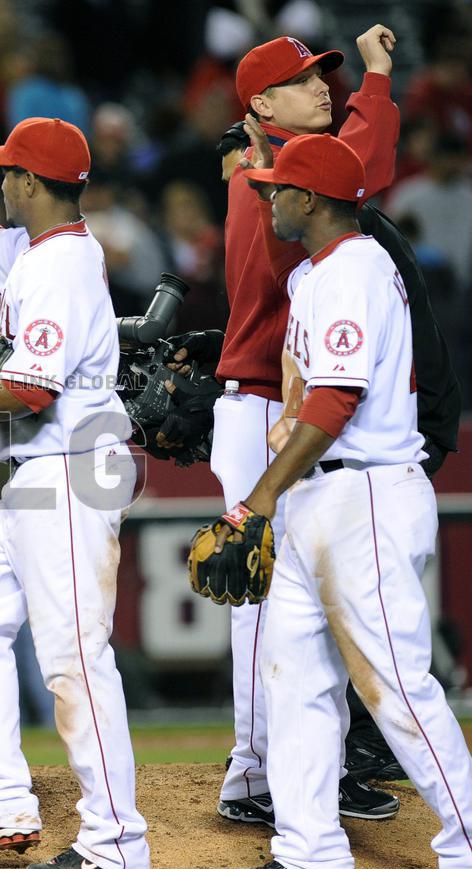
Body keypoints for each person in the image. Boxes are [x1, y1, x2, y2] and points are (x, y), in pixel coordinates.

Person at [0, 90, 151, 869]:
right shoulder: (40, 246)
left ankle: (116, 843)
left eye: (7, 171)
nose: (0, 182)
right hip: (42, 471)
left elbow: (34, 389)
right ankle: (2, 805)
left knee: (74, 659)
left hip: (73, 464)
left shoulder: (60, 265)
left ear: (32, 182)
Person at [223, 129, 472, 869]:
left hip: (362, 492)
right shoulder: (317, 273)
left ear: (310, 198)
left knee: (395, 684)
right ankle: (311, 857)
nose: (266, 197)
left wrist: (257, 498)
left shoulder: (355, 268)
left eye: (276, 188)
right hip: (318, 493)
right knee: (295, 678)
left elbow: (336, 398)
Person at [187, 26, 404, 828]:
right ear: (260, 105)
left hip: (279, 405)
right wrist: (377, 79)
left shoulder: (268, 172)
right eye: (304, 79)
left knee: (303, 604)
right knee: (262, 603)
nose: (324, 86)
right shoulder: (262, 181)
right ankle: (254, 775)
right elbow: (365, 167)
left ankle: (308, 763)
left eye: (326, 75)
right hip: (264, 408)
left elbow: (351, 166)